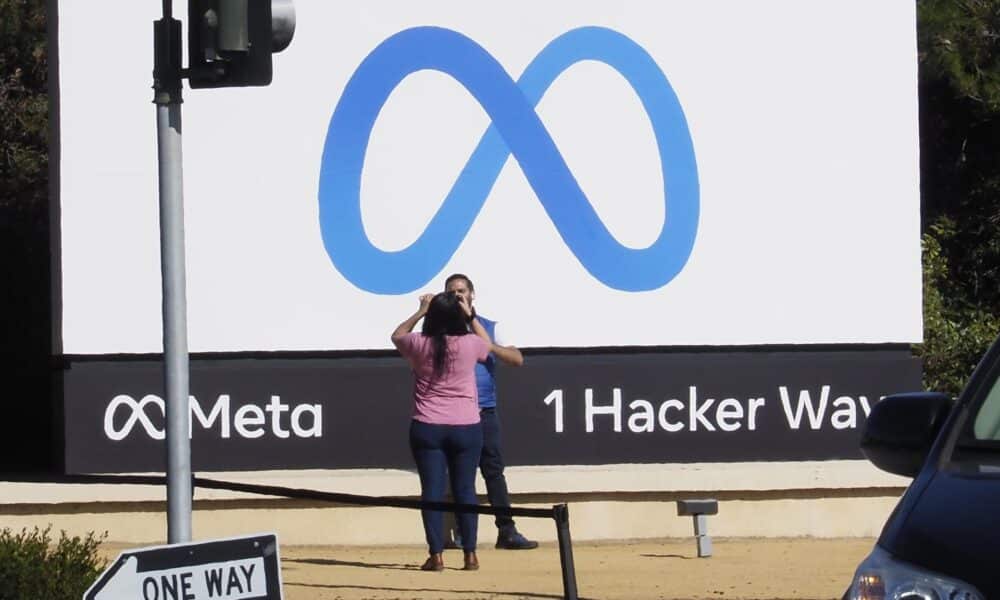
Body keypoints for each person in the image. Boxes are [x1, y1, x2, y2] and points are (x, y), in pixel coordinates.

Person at [391, 291, 499, 571]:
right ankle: (470, 554)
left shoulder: (418, 343)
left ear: (432, 317)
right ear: (458, 317)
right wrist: (471, 316)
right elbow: (489, 346)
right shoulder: (471, 343)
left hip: (428, 425)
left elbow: (397, 335)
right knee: (465, 490)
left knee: (432, 492)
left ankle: (436, 555)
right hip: (466, 425)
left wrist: (420, 311)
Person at [444, 273, 539, 550]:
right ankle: (464, 534)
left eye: (462, 291)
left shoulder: (490, 327)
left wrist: (481, 336)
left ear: (472, 294)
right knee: (462, 475)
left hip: (485, 411)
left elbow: (516, 359)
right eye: (452, 292)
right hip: (456, 413)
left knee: (494, 472)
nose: (458, 296)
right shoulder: (441, 329)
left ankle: (506, 531)